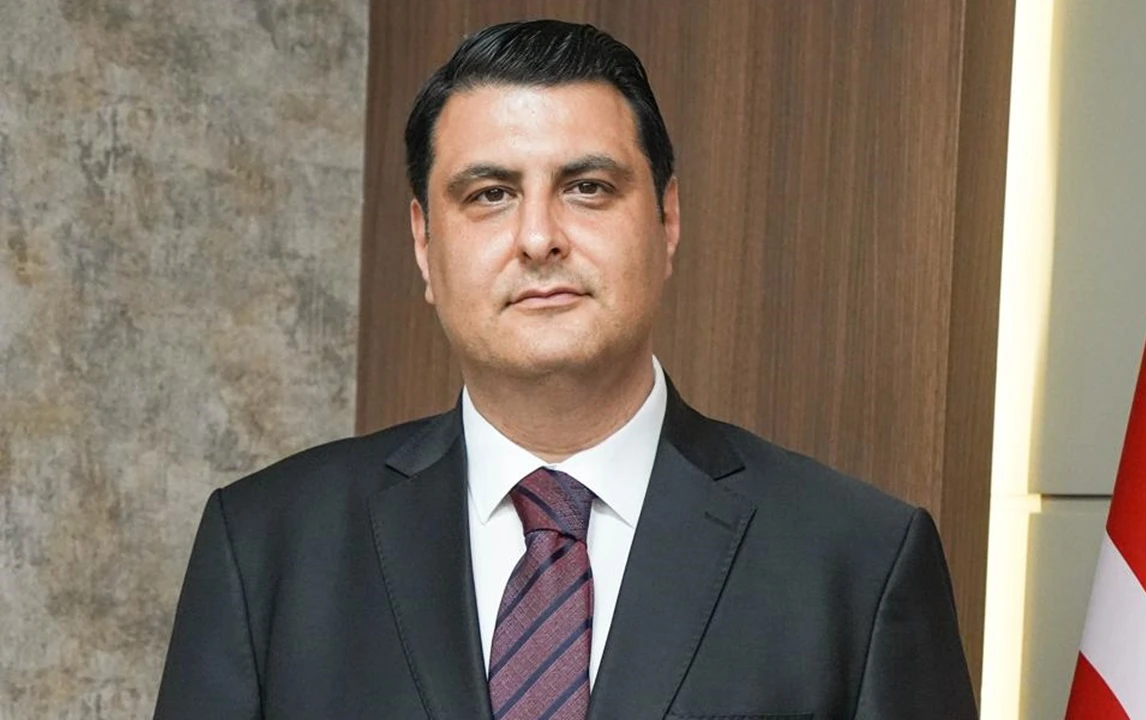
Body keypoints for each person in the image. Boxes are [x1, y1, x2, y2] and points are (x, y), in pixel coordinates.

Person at [155, 19, 976, 720]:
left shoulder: (858, 563)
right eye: (490, 194)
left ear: (667, 219)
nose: (539, 237)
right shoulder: (265, 548)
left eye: (587, 187)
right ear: (424, 244)